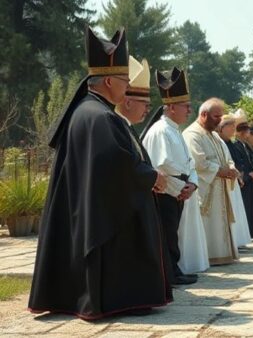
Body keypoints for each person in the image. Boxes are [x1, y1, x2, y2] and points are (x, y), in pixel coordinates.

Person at [28, 27, 169, 319]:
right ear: (108, 81)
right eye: (125, 80)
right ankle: (115, 299)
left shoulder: (89, 111)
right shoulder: (101, 116)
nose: (128, 85)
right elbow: (116, 165)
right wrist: (151, 177)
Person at [115, 55, 174, 301]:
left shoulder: (126, 126)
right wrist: (153, 178)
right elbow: (122, 165)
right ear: (128, 102)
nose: (148, 110)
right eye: (145, 104)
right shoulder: (116, 123)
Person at [142, 67, 208, 283]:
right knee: (166, 233)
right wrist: (180, 189)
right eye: (185, 106)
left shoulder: (175, 131)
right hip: (165, 193)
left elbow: (188, 164)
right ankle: (168, 273)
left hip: (178, 190)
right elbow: (160, 167)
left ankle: (173, 270)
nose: (189, 111)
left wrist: (193, 185)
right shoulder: (160, 131)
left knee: (172, 233)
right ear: (170, 107)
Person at [182, 98, 238, 265]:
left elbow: (227, 157)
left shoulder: (214, 135)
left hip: (220, 187)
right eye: (216, 117)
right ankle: (207, 257)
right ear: (204, 114)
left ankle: (223, 254)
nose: (219, 121)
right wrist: (222, 171)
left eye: (221, 117)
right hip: (205, 189)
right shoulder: (192, 135)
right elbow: (199, 163)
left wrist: (231, 167)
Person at [217, 110, 252, 249]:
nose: (233, 129)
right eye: (230, 126)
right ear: (221, 127)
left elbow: (233, 161)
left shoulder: (230, 143)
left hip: (234, 180)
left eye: (233, 126)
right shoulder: (219, 142)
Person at [229, 119, 253, 238]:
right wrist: (248, 174)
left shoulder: (251, 148)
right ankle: (249, 231)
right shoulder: (236, 146)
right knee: (247, 208)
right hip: (246, 183)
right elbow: (237, 164)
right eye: (248, 132)